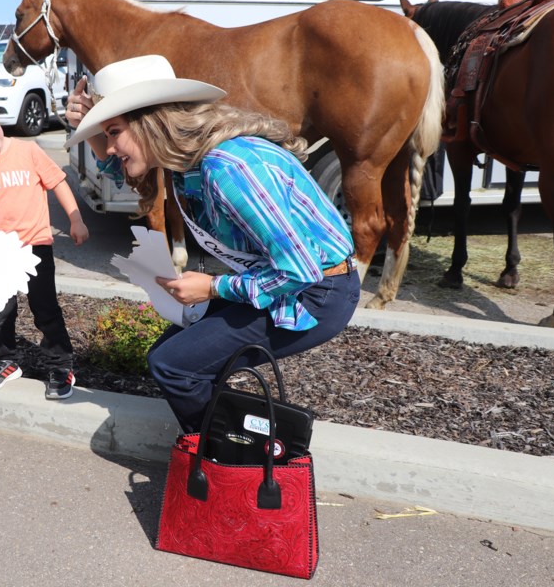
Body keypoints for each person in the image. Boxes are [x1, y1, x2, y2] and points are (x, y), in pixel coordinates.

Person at [64, 55, 360, 433]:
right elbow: (123, 169)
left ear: (152, 124)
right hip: (286, 280)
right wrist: (95, 126)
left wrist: (212, 287)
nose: (109, 148)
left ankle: (231, 459)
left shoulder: (229, 168)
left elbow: (300, 270)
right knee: (169, 358)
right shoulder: (185, 160)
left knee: (176, 366)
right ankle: (237, 443)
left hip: (316, 292)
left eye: (114, 131)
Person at [0, 91, 90, 400]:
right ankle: (5, 361)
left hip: (36, 247)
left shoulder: (28, 150)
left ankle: (60, 365)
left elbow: (58, 181)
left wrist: (76, 219)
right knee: (0, 312)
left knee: (45, 308)